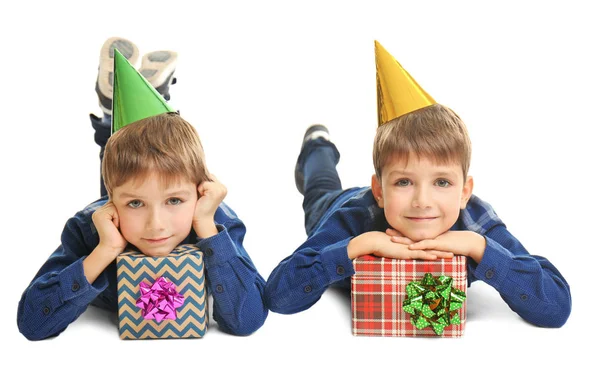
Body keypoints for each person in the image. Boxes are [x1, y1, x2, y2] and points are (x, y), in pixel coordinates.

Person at [264, 41, 571, 328]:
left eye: (441, 182)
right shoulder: (353, 218)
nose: (422, 201)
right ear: (381, 190)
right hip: (336, 204)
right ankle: (318, 146)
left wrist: (480, 249)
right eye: (404, 182)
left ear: (465, 192)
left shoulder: (477, 225)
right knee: (320, 185)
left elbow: (556, 306)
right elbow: (278, 295)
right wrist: (360, 245)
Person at [17, 37, 268, 340]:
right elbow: (31, 324)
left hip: (151, 200)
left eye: (175, 200)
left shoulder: (215, 221)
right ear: (111, 203)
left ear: (201, 191)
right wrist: (105, 250)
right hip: (114, 210)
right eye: (136, 205)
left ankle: (121, 110)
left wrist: (206, 229)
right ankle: (114, 113)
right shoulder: (89, 228)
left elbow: (249, 319)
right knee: (119, 166)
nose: (156, 225)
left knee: (131, 174)